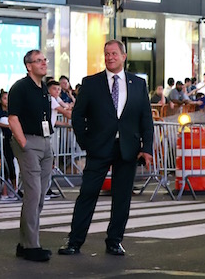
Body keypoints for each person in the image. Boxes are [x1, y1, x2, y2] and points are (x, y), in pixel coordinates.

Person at [59, 40, 153, 257]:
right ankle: (75, 241)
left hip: (128, 148)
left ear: (124, 56)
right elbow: (78, 115)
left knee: (122, 197)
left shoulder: (138, 84)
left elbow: (146, 119)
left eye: (114, 53)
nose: (110, 57)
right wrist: (86, 142)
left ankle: (114, 241)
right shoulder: (91, 83)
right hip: (99, 147)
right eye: (107, 54)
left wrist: (146, 148)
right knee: (88, 193)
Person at [7, 50, 54, 262]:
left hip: (45, 142)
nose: (44, 63)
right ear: (28, 65)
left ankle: (25, 243)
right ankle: (31, 245)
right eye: (39, 61)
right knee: (33, 194)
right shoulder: (20, 87)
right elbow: (13, 117)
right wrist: (23, 143)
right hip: (28, 141)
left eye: (45, 60)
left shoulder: (43, 88)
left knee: (41, 194)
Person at [0, 89, 17, 199]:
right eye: (5, 98)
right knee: (6, 165)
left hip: (12, 140)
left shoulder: (12, 111)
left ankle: (15, 188)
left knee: (12, 165)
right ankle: (5, 191)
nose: (7, 101)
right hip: (2, 140)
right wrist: (7, 126)